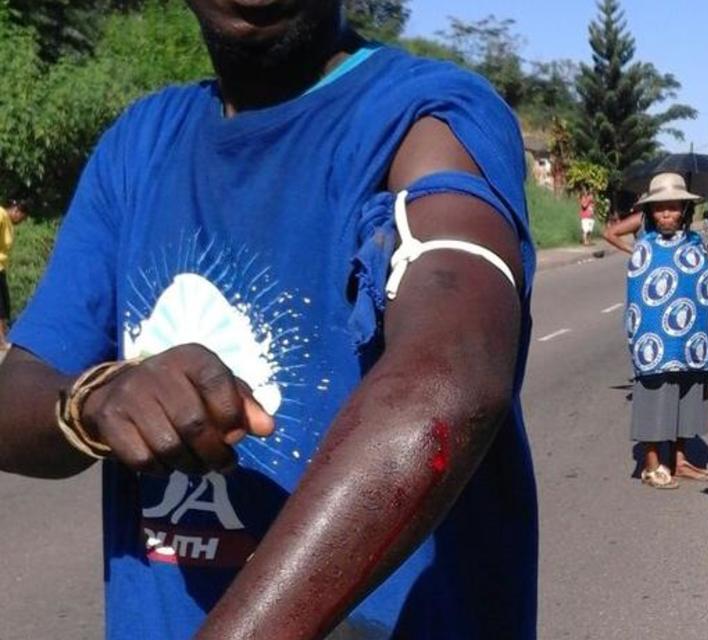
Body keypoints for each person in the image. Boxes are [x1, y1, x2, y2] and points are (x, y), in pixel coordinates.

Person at [0, 2, 538, 638]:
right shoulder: (138, 145)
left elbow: (451, 378)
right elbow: (19, 389)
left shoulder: (425, 116)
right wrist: (92, 399)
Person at [603, 173, 708, 489]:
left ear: (683, 209)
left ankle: (680, 460)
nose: (666, 214)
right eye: (659, 209)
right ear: (650, 211)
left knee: (687, 394)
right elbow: (614, 238)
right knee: (654, 394)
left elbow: (702, 287)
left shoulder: (696, 242)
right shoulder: (644, 243)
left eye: (673, 207)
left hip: (692, 337)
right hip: (654, 337)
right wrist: (634, 254)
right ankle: (652, 464)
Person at [0, 200, 26, 349]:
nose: (21, 221)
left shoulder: (8, 222)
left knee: (5, 304)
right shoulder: (1, 215)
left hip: (1, 268)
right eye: (21, 218)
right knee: (0, 306)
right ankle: (1, 340)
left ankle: (4, 335)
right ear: (16, 210)